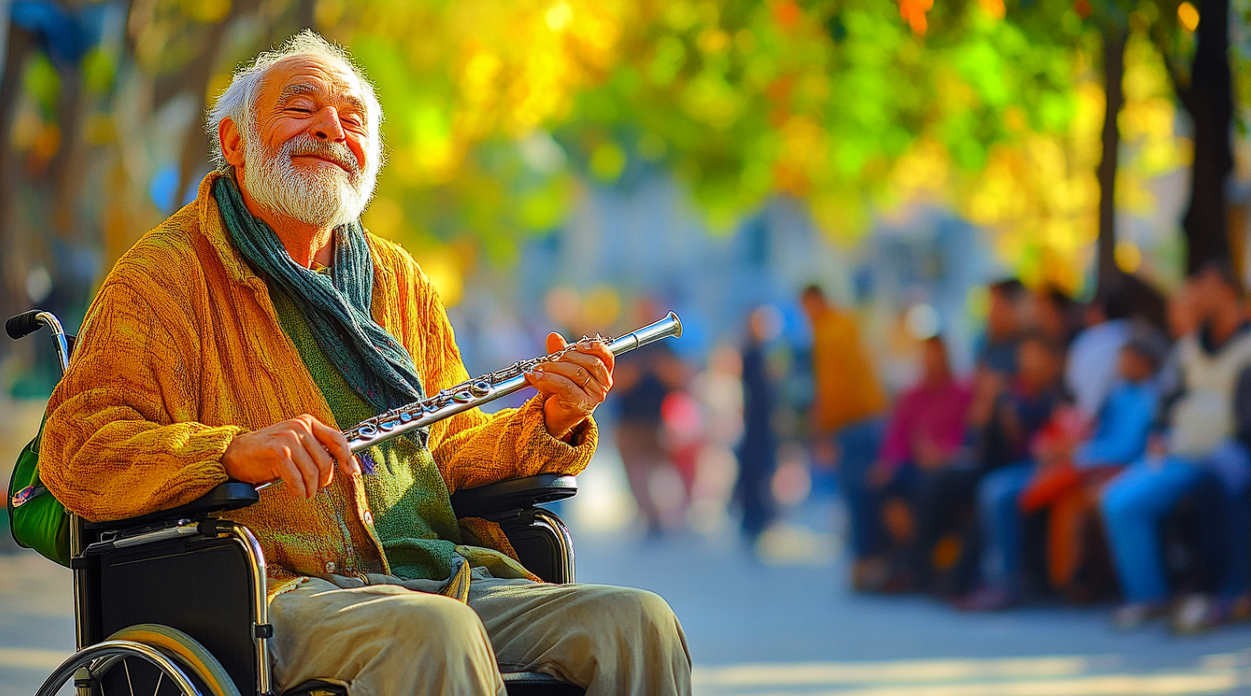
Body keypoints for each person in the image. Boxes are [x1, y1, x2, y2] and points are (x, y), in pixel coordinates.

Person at [38, 32, 690, 696]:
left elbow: (444, 453)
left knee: (635, 621)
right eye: (301, 108)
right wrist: (231, 452)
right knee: (436, 632)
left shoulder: (398, 280)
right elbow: (77, 450)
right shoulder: (163, 276)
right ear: (234, 143)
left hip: (444, 573)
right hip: (273, 589)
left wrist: (551, 417)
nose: (331, 128)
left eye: (352, 119)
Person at [1100, 260, 1251, 630]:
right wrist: (1157, 436)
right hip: (1181, 453)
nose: (1198, 298)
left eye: (1206, 289)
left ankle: (1233, 591)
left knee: (1225, 475)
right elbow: (1164, 405)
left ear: (1228, 293)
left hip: (1233, 450)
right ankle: (1149, 598)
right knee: (1120, 499)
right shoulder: (1187, 350)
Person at [859, 336, 971, 590]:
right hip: (912, 467)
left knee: (933, 487)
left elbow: (965, 440)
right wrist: (888, 465)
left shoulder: (962, 394)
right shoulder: (911, 396)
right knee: (877, 485)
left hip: (945, 469)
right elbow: (895, 442)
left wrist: (941, 455)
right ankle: (873, 559)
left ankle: (915, 564)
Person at [801, 284, 888, 580]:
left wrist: (822, 433)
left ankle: (866, 564)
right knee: (867, 493)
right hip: (872, 418)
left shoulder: (828, 333)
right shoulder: (848, 324)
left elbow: (831, 390)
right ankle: (870, 562)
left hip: (851, 425)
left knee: (857, 497)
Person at [734, 306, 780, 546]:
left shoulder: (758, 352)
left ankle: (758, 518)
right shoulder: (753, 353)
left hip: (760, 423)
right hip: (757, 423)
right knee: (756, 472)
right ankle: (754, 518)